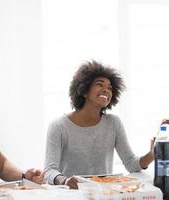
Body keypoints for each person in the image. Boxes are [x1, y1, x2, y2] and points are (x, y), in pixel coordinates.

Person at [44, 60, 155, 189]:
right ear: (84, 91)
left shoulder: (114, 123)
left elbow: (131, 163)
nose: (106, 90)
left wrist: (152, 155)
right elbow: (49, 170)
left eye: (109, 88)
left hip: (104, 193)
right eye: (99, 85)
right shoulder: (59, 126)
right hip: (71, 194)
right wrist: (64, 180)